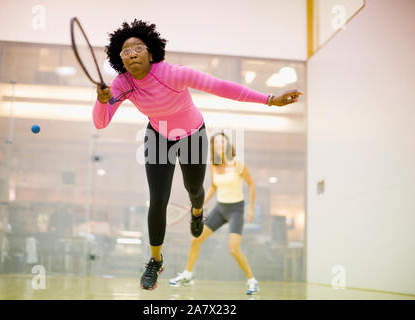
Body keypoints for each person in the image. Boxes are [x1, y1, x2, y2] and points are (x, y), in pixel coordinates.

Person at [94, 19, 303, 290]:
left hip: (193, 133)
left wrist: (269, 99)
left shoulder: (174, 73)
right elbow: (101, 122)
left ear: (151, 52)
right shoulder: (121, 84)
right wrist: (101, 102)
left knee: (194, 187)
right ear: (119, 59)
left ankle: (197, 211)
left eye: (138, 47)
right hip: (158, 135)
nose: (132, 52)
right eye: (125, 50)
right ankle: (155, 260)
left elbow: (221, 87)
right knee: (157, 199)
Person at [168, 132, 260, 294]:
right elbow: (213, 187)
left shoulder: (238, 164)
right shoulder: (214, 166)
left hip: (236, 210)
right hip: (220, 209)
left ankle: (252, 281)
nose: (220, 145)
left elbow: (251, 184)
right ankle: (188, 275)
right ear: (214, 147)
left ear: (228, 145)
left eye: (223, 142)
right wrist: (198, 202)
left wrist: (251, 208)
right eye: (217, 142)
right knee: (195, 240)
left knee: (233, 249)